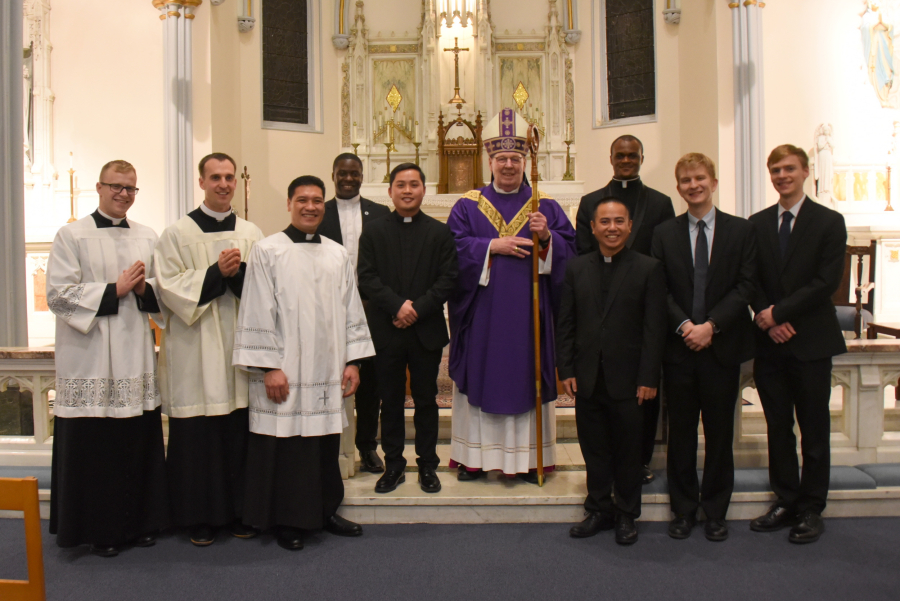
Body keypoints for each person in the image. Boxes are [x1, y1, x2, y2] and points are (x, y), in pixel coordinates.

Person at [233, 175, 374, 551]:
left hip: (327, 367)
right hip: (287, 368)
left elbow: (350, 308)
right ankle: (289, 520)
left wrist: (353, 361)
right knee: (288, 445)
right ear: (290, 204)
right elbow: (257, 308)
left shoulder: (337, 252)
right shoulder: (267, 250)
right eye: (302, 200)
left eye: (316, 201)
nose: (310, 206)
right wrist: (268, 367)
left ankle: (325, 511)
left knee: (324, 443)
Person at [447, 109, 576, 482]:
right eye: (501, 158)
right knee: (482, 377)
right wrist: (490, 247)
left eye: (515, 159)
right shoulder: (467, 205)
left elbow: (571, 254)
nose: (508, 165)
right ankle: (476, 458)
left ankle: (525, 461)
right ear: (489, 161)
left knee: (525, 378)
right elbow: (452, 252)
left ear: (525, 162)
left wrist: (548, 238)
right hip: (483, 317)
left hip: (528, 319)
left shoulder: (545, 206)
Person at [47, 160, 167, 557]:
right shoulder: (72, 235)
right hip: (90, 357)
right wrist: (113, 289)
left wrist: (144, 290)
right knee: (97, 451)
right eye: (116, 187)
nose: (124, 194)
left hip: (133, 353)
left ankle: (140, 523)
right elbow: (58, 296)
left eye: (131, 188)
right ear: (98, 188)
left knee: (134, 444)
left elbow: (161, 294)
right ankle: (100, 530)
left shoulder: (148, 236)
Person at [153, 152, 264, 546]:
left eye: (229, 177)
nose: (223, 184)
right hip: (194, 352)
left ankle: (240, 512)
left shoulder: (251, 233)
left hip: (237, 348)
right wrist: (218, 272)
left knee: (238, 433)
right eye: (215, 177)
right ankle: (198, 517)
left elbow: (267, 290)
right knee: (198, 438)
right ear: (201, 182)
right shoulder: (176, 234)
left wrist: (238, 275)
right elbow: (167, 288)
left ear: (237, 182)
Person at [650, 153, 757, 542]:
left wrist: (711, 326)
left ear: (713, 182)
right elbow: (659, 287)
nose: (692, 185)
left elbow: (745, 285)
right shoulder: (664, 233)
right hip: (679, 350)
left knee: (718, 433)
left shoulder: (741, 231)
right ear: (678, 187)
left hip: (721, 347)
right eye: (685, 180)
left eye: (699, 178)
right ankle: (682, 510)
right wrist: (685, 326)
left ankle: (715, 510)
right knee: (679, 433)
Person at [749, 145, 847, 544]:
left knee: (814, 427)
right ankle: (785, 499)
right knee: (777, 427)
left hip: (810, 340)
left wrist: (780, 313)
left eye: (789, 168)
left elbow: (826, 281)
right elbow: (748, 276)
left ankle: (811, 507)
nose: (782, 175)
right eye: (775, 169)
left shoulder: (828, 221)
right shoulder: (756, 224)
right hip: (770, 342)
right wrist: (762, 314)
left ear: (806, 171)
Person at [556, 197, 666, 545]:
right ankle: (599, 509)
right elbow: (567, 322)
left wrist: (649, 377)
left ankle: (626, 514)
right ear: (593, 227)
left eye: (619, 221)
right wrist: (567, 368)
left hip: (631, 380)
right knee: (595, 449)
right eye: (605, 222)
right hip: (588, 376)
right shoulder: (577, 268)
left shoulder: (648, 268)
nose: (612, 228)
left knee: (628, 452)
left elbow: (654, 328)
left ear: (629, 226)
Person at [575, 135, 676, 484]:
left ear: (642, 158)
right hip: (599, 313)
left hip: (640, 312)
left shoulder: (661, 204)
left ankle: (641, 460)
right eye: (621, 155)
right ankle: (602, 479)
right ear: (610, 157)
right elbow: (581, 259)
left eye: (633, 155)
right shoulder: (590, 202)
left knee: (641, 401)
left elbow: (666, 259)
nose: (627, 161)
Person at [357, 163, 459, 494]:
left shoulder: (439, 232)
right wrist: (397, 306)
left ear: (423, 190)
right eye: (400, 184)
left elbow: (448, 279)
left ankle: (428, 466)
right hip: (387, 331)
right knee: (391, 400)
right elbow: (367, 277)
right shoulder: (373, 231)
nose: (407, 190)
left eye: (414, 184)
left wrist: (416, 309)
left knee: (427, 400)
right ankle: (395, 465)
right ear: (390, 191)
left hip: (425, 331)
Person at [318, 153, 391, 474]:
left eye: (355, 174)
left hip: (371, 311)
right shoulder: (320, 211)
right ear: (333, 175)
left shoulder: (380, 213)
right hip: (328, 311)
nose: (349, 179)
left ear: (362, 176)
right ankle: (330, 444)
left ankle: (367, 447)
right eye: (343, 174)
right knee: (332, 376)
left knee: (370, 383)